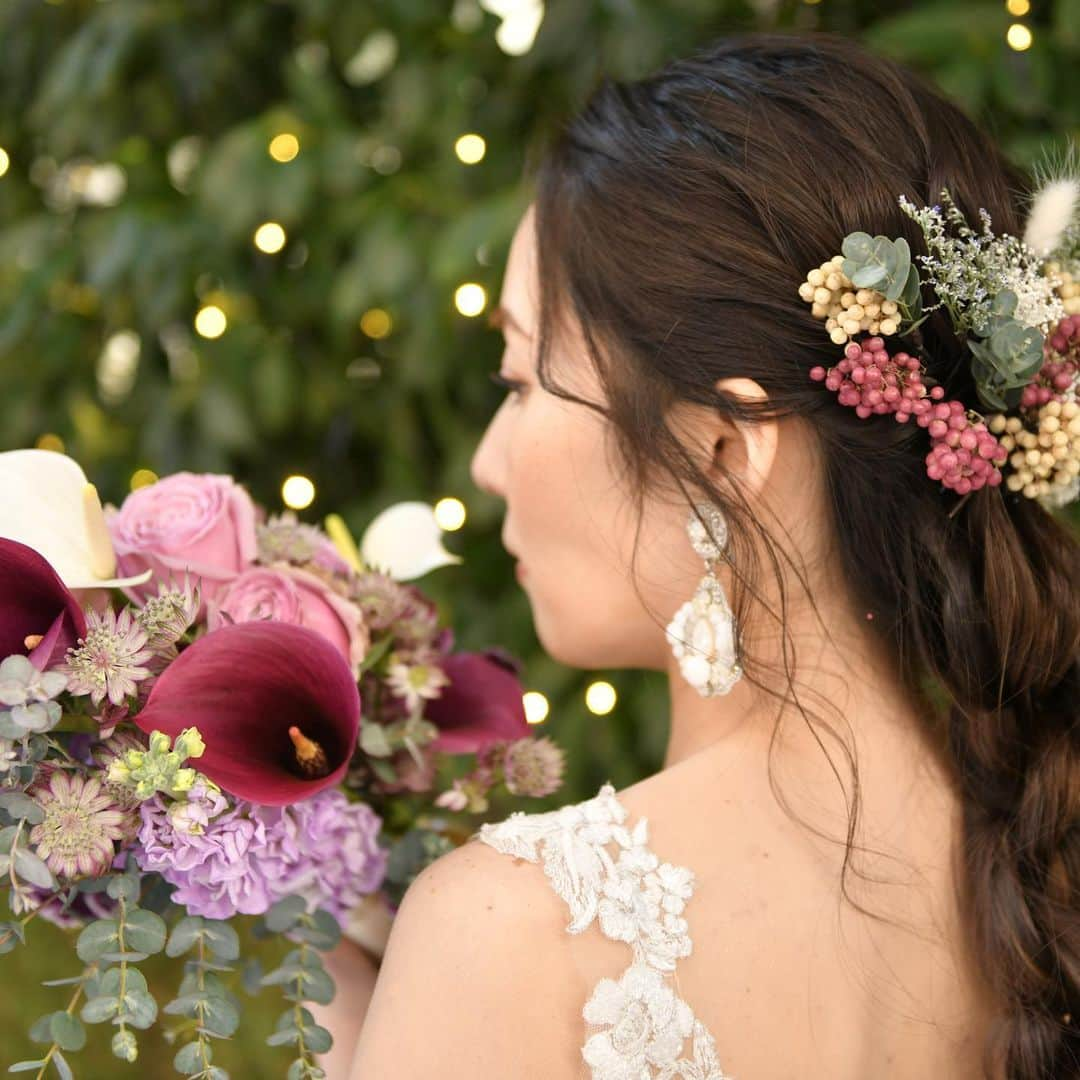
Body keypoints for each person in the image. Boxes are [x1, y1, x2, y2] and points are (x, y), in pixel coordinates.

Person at [318, 32, 1079, 1079]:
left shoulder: (516, 932)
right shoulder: (1047, 868)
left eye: (520, 379)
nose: (490, 463)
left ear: (725, 448)